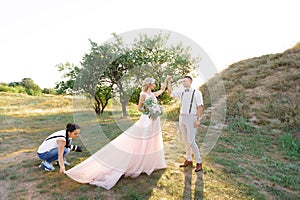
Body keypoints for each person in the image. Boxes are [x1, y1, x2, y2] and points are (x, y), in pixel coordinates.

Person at [65, 77, 169, 190]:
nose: (155, 85)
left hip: (154, 120)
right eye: (153, 83)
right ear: (149, 84)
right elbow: (139, 108)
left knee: (152, 140)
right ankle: (137, 163)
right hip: (147, 119)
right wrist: (150, 112)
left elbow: (162, 90)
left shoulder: (152, 94)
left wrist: (167, 81)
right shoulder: (143, 94)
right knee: (142, 140)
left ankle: (148, 163)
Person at [167, 75, 204, 172]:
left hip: (191, 117)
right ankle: (189, 159)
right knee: (185, 140)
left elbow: (200, 106)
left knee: (191, 141)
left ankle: (199, 162)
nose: (183, 83)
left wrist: (198, 119)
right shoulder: (182, 92)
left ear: (190, 82)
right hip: (182, 117)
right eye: (182, 81)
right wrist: (169, 82)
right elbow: (170, 93)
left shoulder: (197, 92)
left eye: (185, 81)